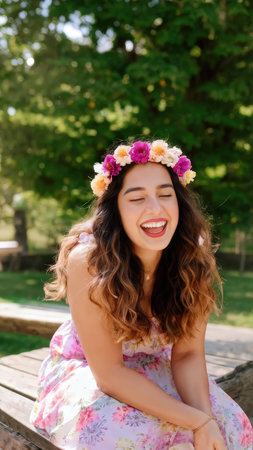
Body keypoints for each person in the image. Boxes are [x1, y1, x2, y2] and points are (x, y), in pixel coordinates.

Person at [30, 139, 253, 449]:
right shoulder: (90, 261)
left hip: (155, 365)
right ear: (116, 210)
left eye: (165, 194)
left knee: (230, 428)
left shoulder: (192, 254)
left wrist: (207, 421)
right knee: (117, 434)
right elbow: (109, 374)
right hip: (93, 369)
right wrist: (195, 421)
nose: (156, 209)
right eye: (137, 198)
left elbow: (187, 354)